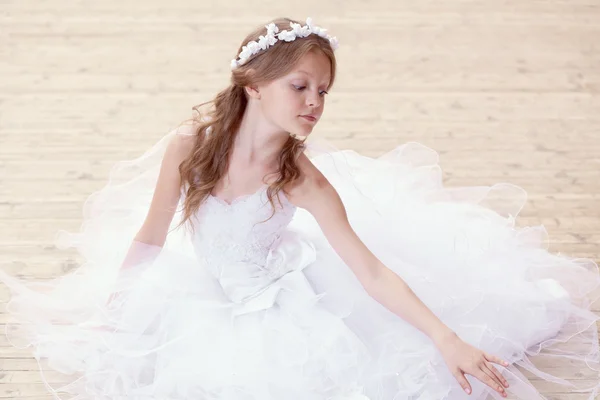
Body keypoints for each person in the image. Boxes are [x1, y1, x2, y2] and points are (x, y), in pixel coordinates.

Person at [1, 16, 599, 400]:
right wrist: (115, 311)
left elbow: (369, 271)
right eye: (299, 86)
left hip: (278, 300)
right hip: (200, 293)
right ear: (253, 85)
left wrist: (445, 337)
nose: (314, 103)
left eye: (323, 91)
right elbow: (153, 235)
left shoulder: (299, 179)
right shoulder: (191, 145)